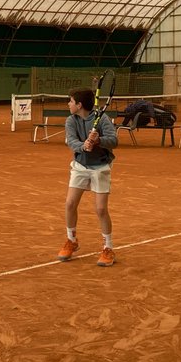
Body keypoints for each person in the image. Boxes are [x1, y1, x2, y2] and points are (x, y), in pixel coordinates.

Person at [57, 86, 117, 267]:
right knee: (69, 204)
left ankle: (108, 248)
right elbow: (72, 141)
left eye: (71, 101)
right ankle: (71, 240)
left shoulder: (103, 119)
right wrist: (83, 146)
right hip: (80, 166)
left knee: (100, 210)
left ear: (79, 104)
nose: (69, 104)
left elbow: (114, 141)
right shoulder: (71, 120)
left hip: (100, 167)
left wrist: (99, 140)